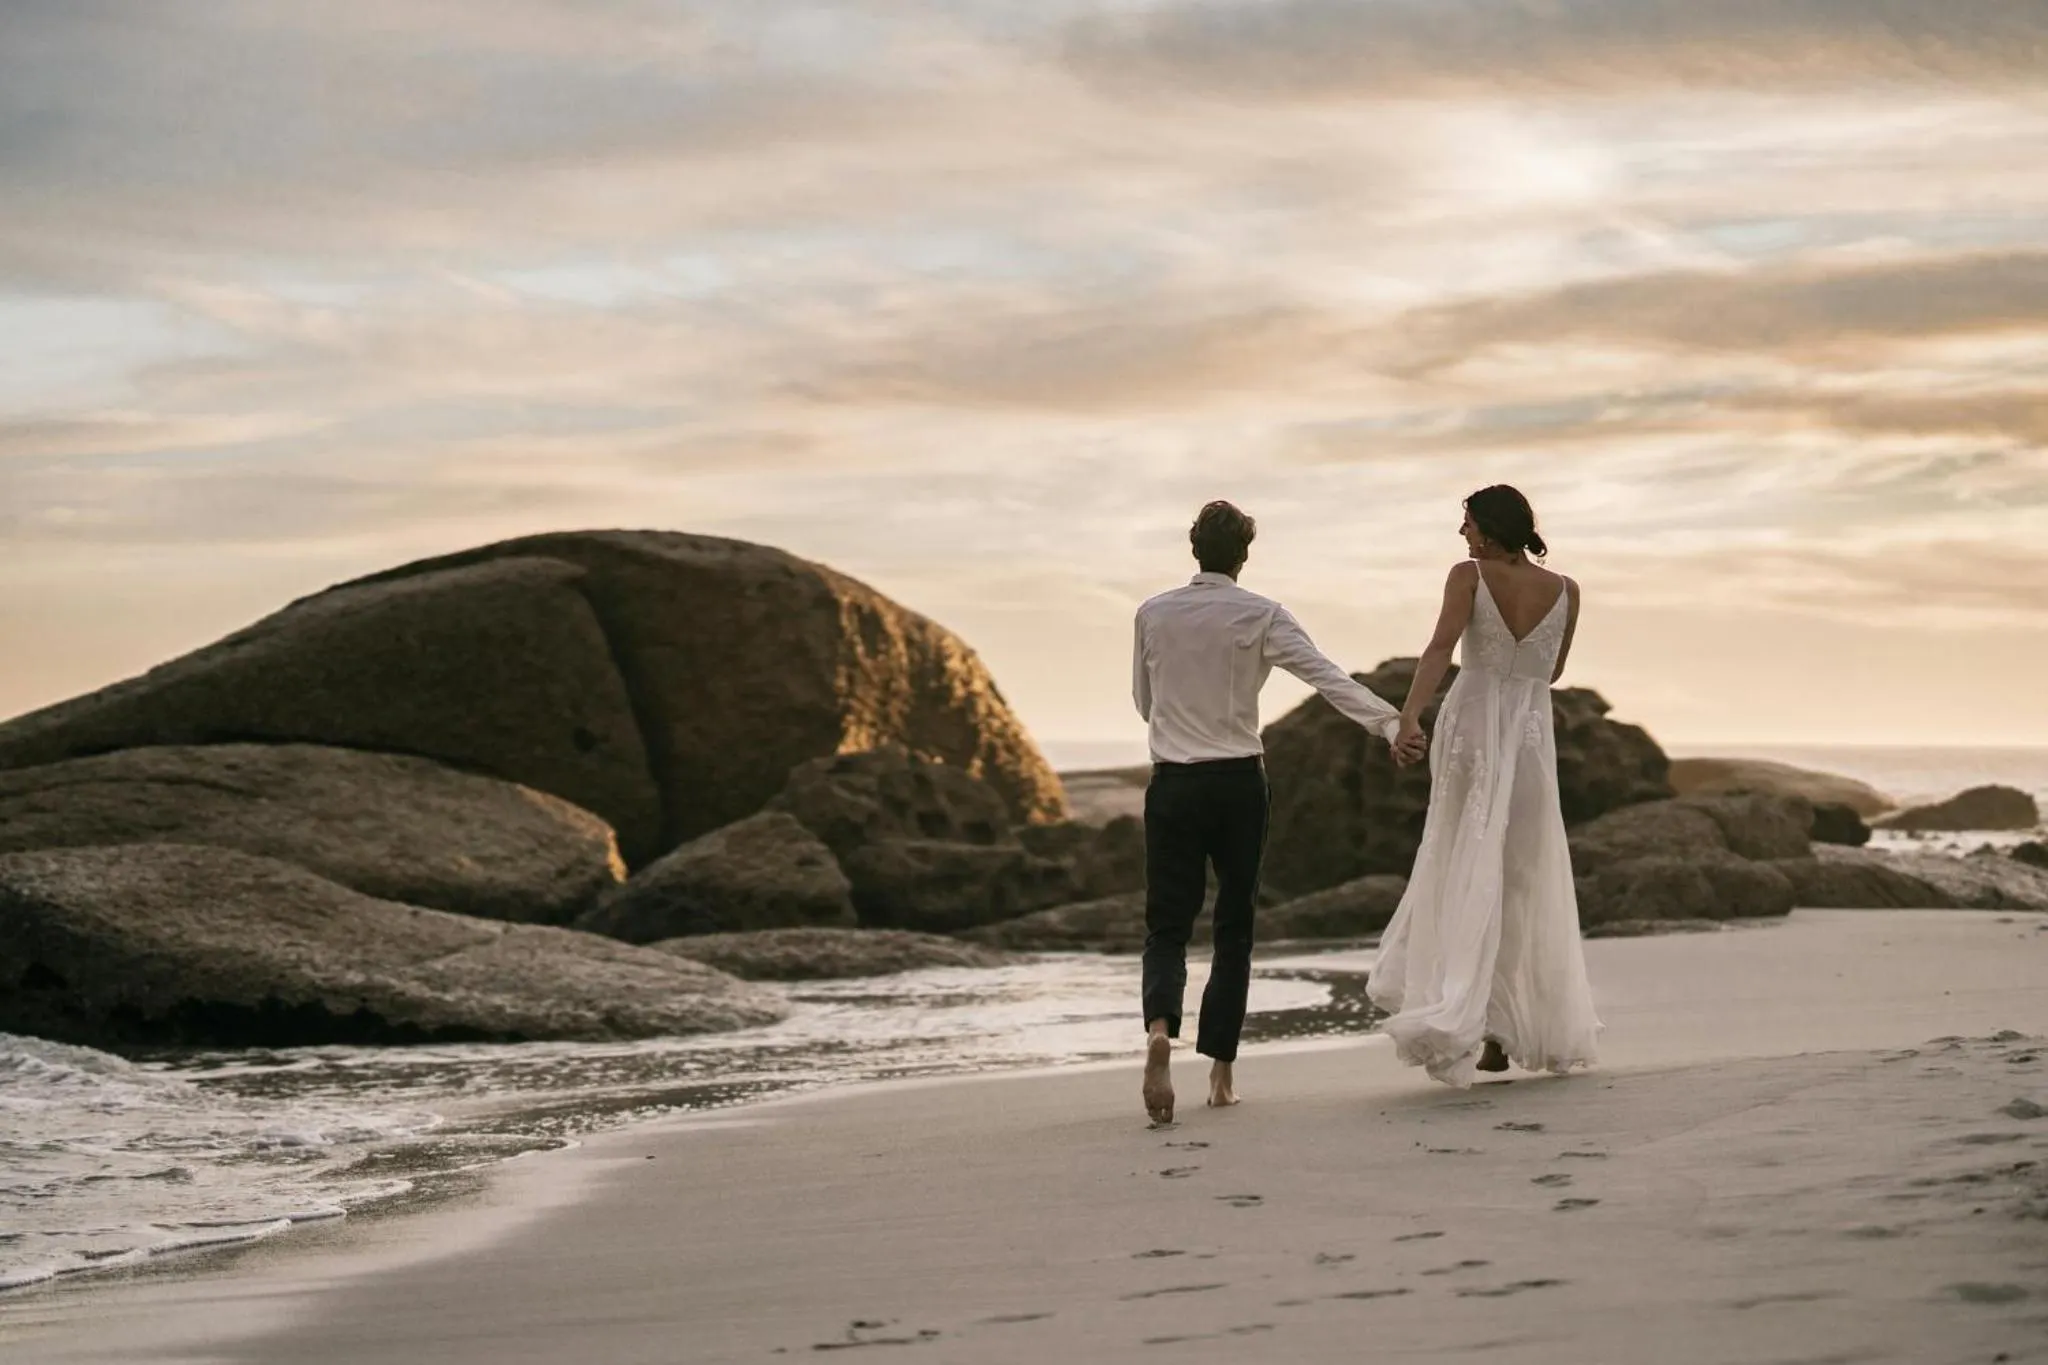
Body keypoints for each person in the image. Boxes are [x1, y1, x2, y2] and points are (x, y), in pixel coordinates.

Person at [1133, 500, 1424, 1124]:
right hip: (1238, 781)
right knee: (1234, 925)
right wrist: (1392, 724)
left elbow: (1144, 699)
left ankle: (1160, 1028)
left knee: (1167, 925)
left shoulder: (1153, 613)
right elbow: (1326, 677)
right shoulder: (1262, 613)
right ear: (1242, 555)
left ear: (1193, 551)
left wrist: (1181, 729)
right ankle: (1220, 1073)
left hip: (1173, 782)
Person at [1367, 485, 1602, 1087]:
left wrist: (1409, 718)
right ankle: (1502, 1025)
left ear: (1491, 529)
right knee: (1520, 874)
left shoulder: (1467, 575)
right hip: (1529, 734)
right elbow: (1554, 670)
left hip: (1473, 725)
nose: (1463, 534)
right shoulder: (1566, 590)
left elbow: (1441, 648)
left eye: (1468, 523)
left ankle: (1467, 1017)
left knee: (1461, 861)